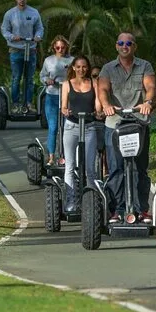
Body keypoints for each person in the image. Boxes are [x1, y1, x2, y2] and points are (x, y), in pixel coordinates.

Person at [98, 32, 156, 224]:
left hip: (139, 122)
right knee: (116, 168)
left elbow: (150, 86)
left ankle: (141, 210)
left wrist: (147, 102)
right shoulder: (107, 68)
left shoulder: (144, 66)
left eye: (129, 43)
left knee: (139, 168)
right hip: (114, 123)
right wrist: (106, 105)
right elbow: (103, 89)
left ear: (134, 46)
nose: (125, 46)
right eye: (121, 43)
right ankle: (117, 210)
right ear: (116, 46)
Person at [60, 55, 102, 212]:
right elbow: (63, 106)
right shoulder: (67, 84)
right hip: (71, 126)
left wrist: (98, 112)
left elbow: (97, 103)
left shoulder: (94, 83)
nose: (81, 69)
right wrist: (65, 111)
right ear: (73, 68)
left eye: (84, 67)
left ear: (88, 68)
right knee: (70, 166)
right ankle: (71, 200)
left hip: (89, 126)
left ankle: (92, 201)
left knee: (90, 168)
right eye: (78, 67)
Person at [0, 0, 44, 113]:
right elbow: (4, 30)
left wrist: (38, 36)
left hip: (31, 49)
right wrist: (12, 37)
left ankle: (29, 103)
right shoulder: (10, 14)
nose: (22, 0)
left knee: (29, 78)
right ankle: (15, 104)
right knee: (16, 78)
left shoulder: (34, 12)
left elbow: (40, 28)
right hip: (16, 49)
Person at [40, 35, 73, 165]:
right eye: (58, 47)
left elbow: (77, 76)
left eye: (62, 47)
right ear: (54, 47)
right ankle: (51, 157)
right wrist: (47, 80)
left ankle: (65, 157)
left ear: (66, 47)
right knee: (53, 128)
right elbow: (42, 75)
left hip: (67, 97)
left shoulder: (72, 60)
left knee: (66, 128)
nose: (60, 50)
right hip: (52, 96)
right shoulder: (48, 60)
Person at [91, 66, 108, 178]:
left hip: (106, 121)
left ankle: (106, 168)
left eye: (99, 76)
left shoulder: (107, 89)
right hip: (91, 122)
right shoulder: (87, 90)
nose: (97, 78)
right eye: (94, 76)